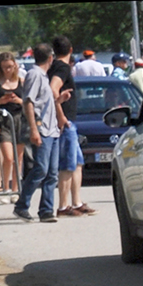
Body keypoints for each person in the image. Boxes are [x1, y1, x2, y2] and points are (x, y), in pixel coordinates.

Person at [14, 44, 60, 222]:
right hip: (42, 129)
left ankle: (46, 210)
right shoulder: (35, 75)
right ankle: (22, 205)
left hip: (52, 129)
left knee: (52, 172)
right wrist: (34, 129)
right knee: (40, 168)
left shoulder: (43, 76)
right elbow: (28, 102)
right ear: (50, 58)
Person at [48, 37, 87, 217]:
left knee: (77, 162)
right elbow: (53, 88)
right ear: (71, 49)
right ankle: (63, 206)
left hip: (70, 122)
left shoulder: (56, 65)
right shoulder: (62, 67)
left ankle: (76, 202)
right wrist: (60, 115)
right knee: (67, 164)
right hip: (65, 122)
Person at [0, 53, 23, 197]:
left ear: (15, 66)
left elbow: (29, 103)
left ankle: (15, 189)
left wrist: (18, 100)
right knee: (8, 157)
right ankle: (5, 186)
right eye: (4, 67)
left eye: (10, 67)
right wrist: (1, 102)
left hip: (19, 119)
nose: (7, 70)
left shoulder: (21, 81)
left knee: (18, 158)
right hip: (3, 120)